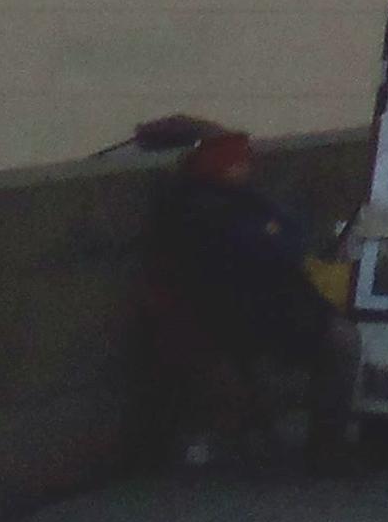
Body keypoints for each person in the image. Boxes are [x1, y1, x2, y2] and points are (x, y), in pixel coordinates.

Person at [142, 130, 360, 469]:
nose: (246, 168)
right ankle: (324, 448)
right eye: (238, 162)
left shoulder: (237, 201)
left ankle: (325, 443)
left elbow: (288, 237)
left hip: (270, 306)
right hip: (247, 313)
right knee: (339, 344)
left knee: (340, 338)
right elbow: (272, 247)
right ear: (221, 166)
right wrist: (275, 238)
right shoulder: (205, 209)